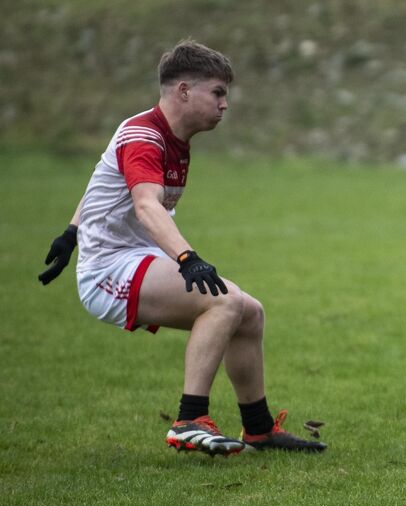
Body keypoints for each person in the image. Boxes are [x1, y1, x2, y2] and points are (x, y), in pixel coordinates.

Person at [38, 39, 326, 456]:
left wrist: (71, 231)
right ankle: (189, 420)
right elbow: (145, 204)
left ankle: (259, 430)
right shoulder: (145, 136)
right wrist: (187, 258)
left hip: (136, 259)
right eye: (218, 92)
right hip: (108, 272)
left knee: (250, 312)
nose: (225, 104)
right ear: (184, 91)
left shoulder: (165, 135)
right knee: (225, 303)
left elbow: (104, 179)